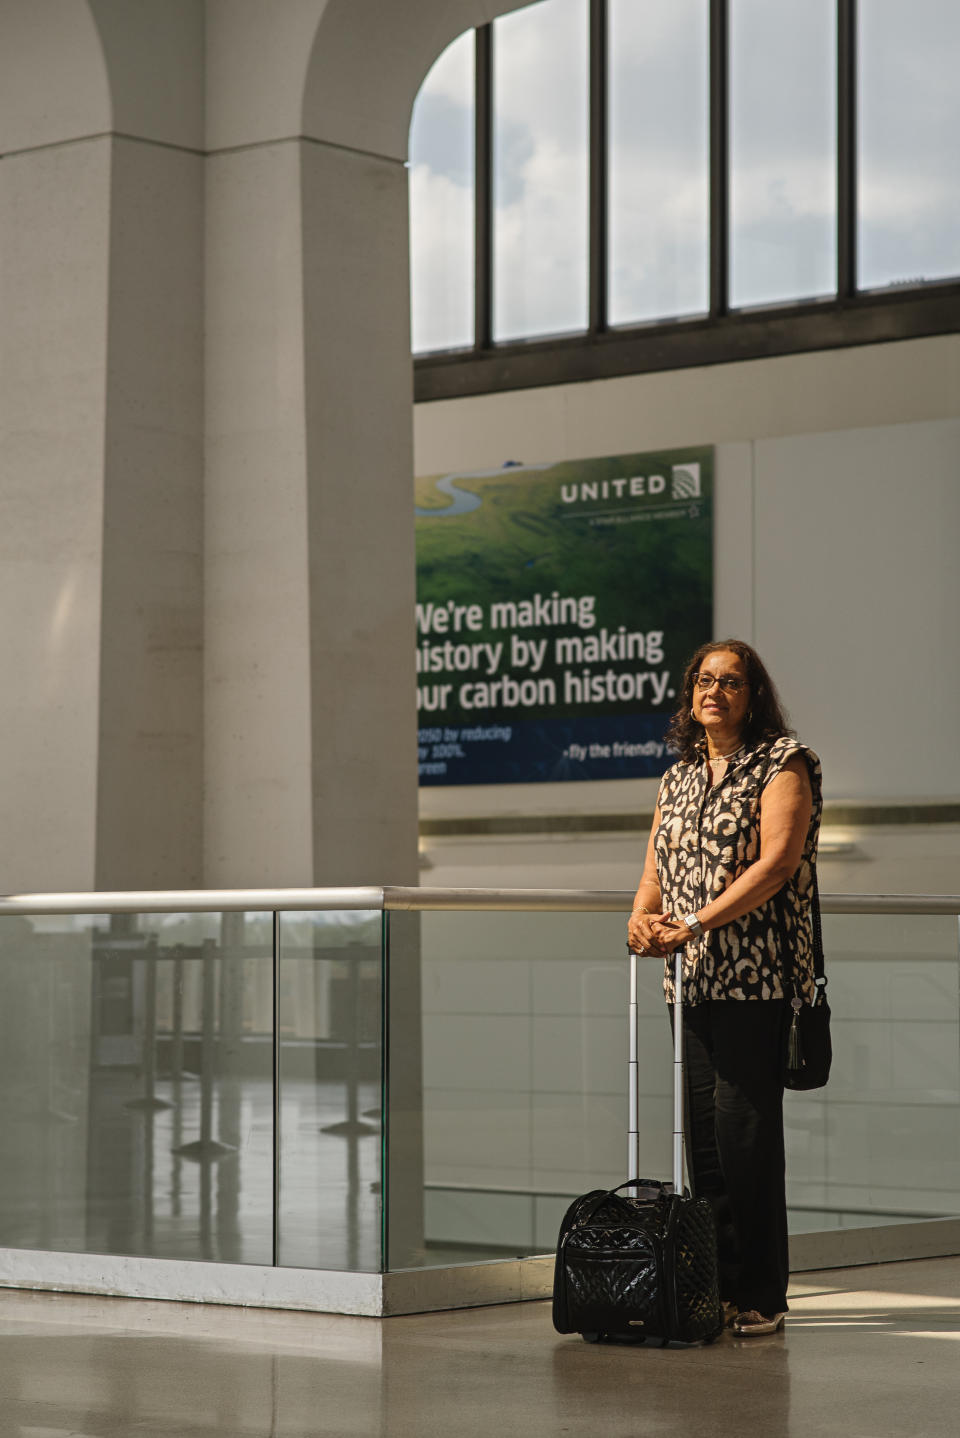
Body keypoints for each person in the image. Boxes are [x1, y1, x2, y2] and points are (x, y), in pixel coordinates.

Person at [627, 639, 822, 1337]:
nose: (716, 691)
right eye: (705, 680)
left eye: (731, 682)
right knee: (703, 1144)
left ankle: (763, 1294)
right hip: (688, 983)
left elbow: (776, 864)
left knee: (745, 1137)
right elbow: (656, 867)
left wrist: (698, 921)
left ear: (754, 696)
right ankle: (718, 1285)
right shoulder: (677, 777)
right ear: (691, 695)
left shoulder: (782, 763)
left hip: (756, 980)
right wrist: (640, 919)